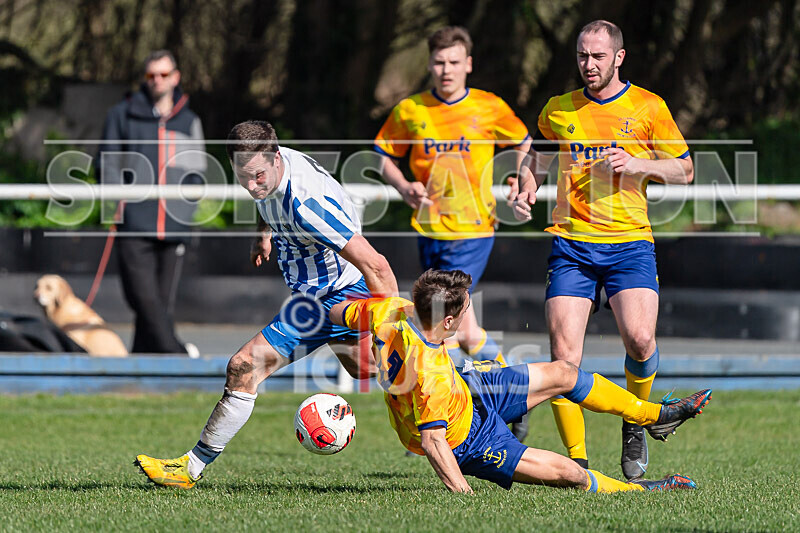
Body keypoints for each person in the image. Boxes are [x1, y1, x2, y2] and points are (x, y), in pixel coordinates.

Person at [134, 120, 398, 488]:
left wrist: (393, 327)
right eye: (242, 178)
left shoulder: (308, 205)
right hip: (317, 293)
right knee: (373, 369)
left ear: (275, 158)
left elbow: (377, 266)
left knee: (244, 365)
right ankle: (465, 386)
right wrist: (264, 233)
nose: (251, 186)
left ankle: (189, 468)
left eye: (257, 176)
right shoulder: (269, 165)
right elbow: (265, 195)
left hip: (335, 297)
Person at [329, 269, 710, 493]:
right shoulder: (430, 377)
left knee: (564, 372)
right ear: (447, 321)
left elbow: (335, 312)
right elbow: (432, 441)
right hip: (468, 441)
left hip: (469, 390)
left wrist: (349, 350)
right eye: (464, 311)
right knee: (571, 475)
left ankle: (655, 415)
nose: (467, 315)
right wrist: (463, 497)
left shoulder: (391, 309)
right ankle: (637, 490)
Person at [509, 20, 694, 480]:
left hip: (630, 243)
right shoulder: (559, 108)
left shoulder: (648, 106)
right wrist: (527, 183)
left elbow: (685, 170)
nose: (588, 64)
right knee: (563, 359)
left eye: (597, 56)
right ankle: (577, 461)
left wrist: (639, 164)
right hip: (571, 246)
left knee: (641, 340)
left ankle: (635, 422)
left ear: (619, 58)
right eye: (582, 56)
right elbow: (539, 151)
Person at [374, 26, 532, 440]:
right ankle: (495, 401)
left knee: (451, 327)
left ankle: (499, 402)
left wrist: (517, 174)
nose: (446, 70)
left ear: (469, 64)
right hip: (429, 230)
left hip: (472, 230)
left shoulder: (487, 106)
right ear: (429, 64)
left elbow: (524, 141)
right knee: (457, 330)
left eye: (454, 62)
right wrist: (404, 186)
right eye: (439, 62)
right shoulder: (411, 109)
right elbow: (382, 154)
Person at [97, 50, 205, 354]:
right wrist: (116, 201)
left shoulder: (189, 120)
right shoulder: (122, 114)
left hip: (174, 226)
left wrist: (186, 208)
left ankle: (143, 364)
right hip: (134, 223)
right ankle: (180, 356)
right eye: (151, 75)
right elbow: (107, 163)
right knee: (143, 299)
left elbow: (196, 172)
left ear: (175, 77)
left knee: (160, 305)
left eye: (163, 74)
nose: (157, 80)